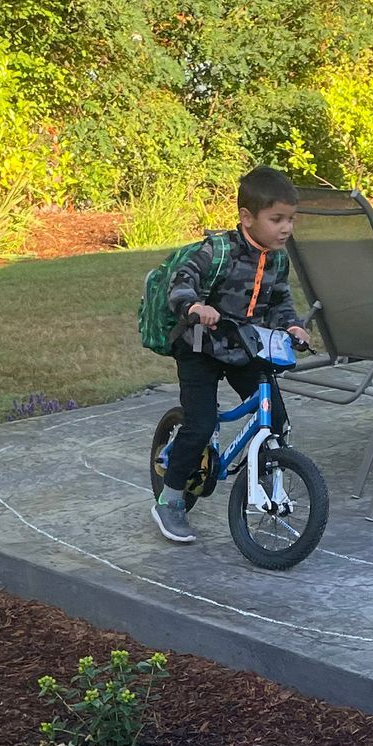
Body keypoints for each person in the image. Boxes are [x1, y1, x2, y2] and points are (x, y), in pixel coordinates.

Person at [152, 164, 309, 545]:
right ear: (247, 217)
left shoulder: (277, 259)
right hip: (200, 347)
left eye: (290, 219)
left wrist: (291, 325)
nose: (286, 228)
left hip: (243, 346)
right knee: (201, 423)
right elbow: (182, 279)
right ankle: (170, 500)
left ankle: (264, 472)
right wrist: (194, 307)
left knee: (277, 418)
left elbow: (279, 300)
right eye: (276, 219)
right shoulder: (218, 250)